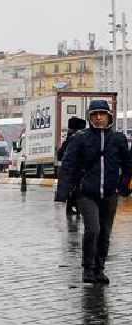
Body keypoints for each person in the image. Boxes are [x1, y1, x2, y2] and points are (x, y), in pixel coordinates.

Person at [55, 100, 132, 285]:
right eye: (94, 114)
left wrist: (123, 186)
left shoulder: (118, 139)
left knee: (105, 232)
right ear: (90, 117)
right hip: (86, 193)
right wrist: (62, 194)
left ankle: (99, 269)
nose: (98, 118)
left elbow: (128, 164)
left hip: (109, 194)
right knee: (93, 229)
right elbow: (68, 165)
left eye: (102, 114)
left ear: (109, 117)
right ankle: (88, 268)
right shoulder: (80, 138)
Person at [56, 117, 88, 220]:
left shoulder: (69, 140)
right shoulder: (78, 139)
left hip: (74, 175)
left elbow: (60, 155)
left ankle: (73, 209)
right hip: (79, 174)